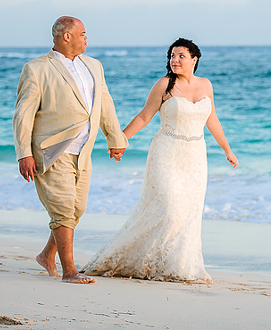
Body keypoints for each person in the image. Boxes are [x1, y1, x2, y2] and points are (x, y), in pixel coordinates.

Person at [81, 38, 238, 283]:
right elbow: (144, 116)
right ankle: (136, 259)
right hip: (166, 153)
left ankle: (178, 266)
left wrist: (227, 150)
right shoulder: (164, 85)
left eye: (181, 56)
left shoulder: (206, 85)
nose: (175, 60)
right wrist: (120, 140)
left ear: (194, 59)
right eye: (172, 56)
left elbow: (212, 120)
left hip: (196, 156)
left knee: (188, 213)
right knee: (170, 209)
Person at [13, 16, 128, 284]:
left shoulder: (94, 66)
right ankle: (70, 271)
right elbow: (23, 115)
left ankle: (46, 255)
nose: (87, 38)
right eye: (83, 33)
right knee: (63, 209)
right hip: (52, 149)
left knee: (77, 209)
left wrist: (115, 137)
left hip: (84, 150)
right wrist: (24, 153)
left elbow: (105, 102)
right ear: (67, 37)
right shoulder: (36, 69)